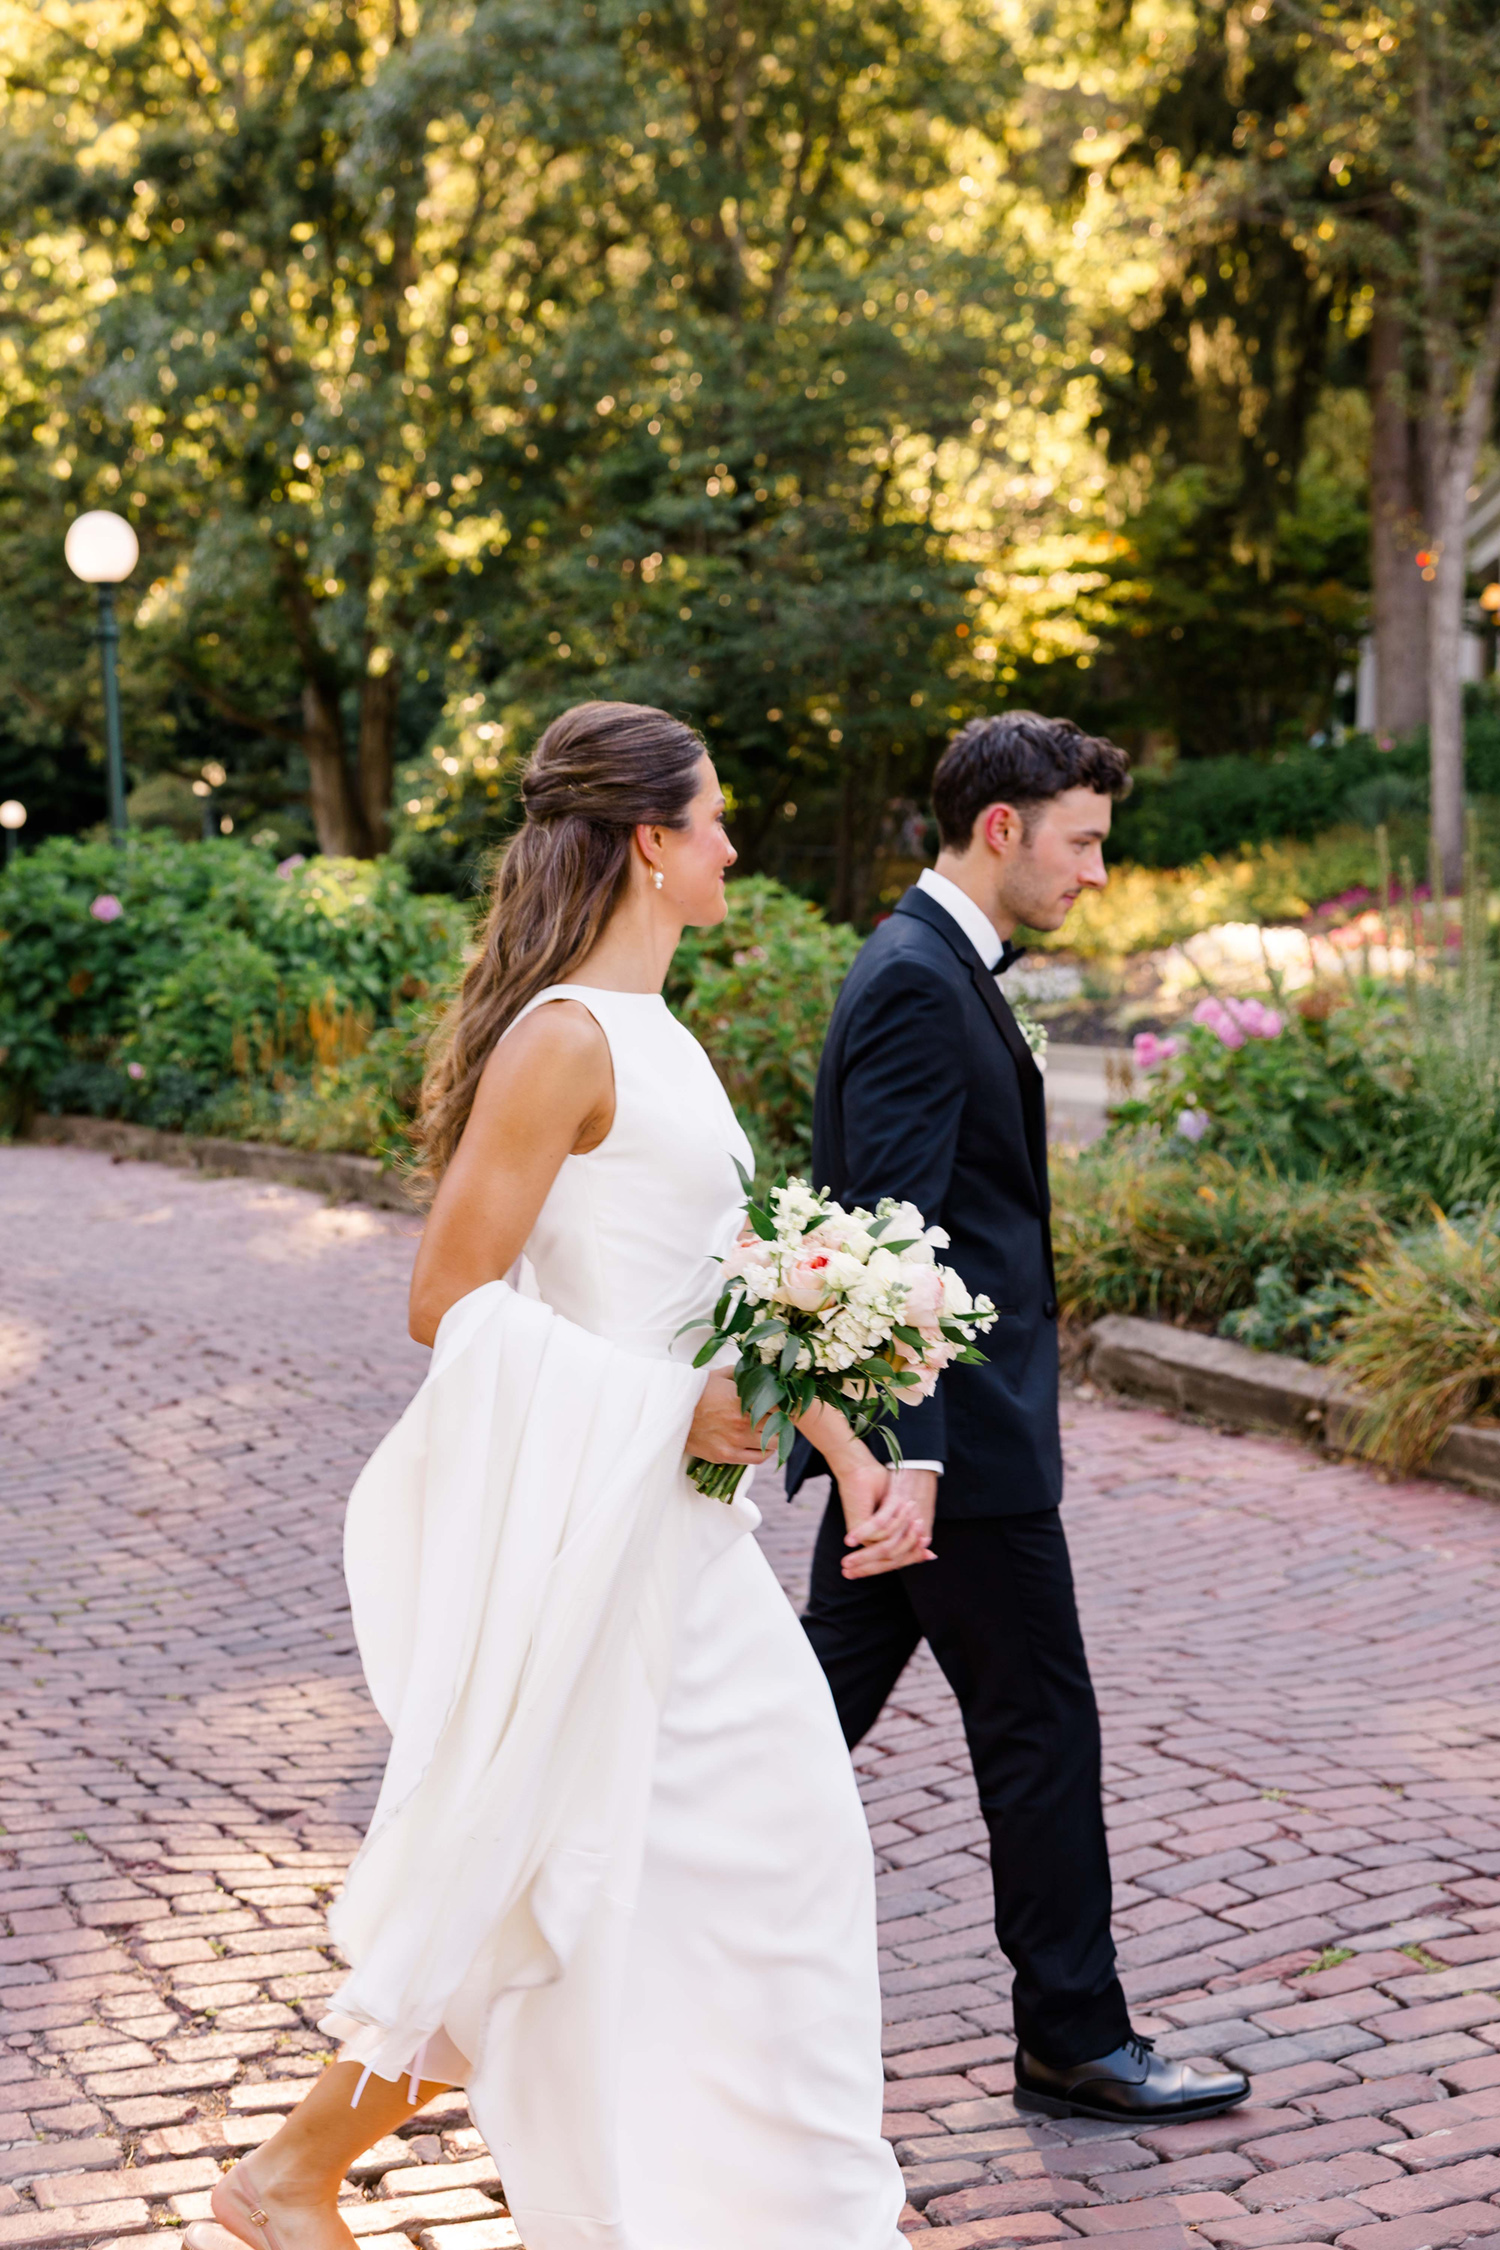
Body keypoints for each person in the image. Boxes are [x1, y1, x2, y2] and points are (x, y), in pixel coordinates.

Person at [185, 703, 913, 2250]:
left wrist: (850, 1449)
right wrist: (668, 1411)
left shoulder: (665, 1040)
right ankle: (327, 2179)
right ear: (651, 843)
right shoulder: (565, 1037)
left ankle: (317, 2174)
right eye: (712, 818)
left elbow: (735, 1294)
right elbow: (447, 1299)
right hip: (610, 1539)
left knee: (634, 1870)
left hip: (687, 1539)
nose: (731, 843)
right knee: (573, 1863)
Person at [787, 711, 1252, 2125]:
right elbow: (897, 1235)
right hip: (956, 1460)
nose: (1099, 871)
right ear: (1005, 829)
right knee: (1040, 1727)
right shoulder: (923, 980)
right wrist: (913, 1452)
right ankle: (1076, 2037)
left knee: (785, 1721)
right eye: (1085, 841)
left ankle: (603, 1911)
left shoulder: (936, 964)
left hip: (933, 1455)